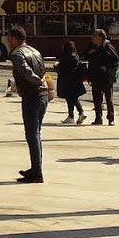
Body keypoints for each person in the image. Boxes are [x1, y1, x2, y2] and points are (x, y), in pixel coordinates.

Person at [8, 27, 52, 183]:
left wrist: (37, 81)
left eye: (9, 38)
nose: (8, 41)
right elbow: (42, 70)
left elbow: (26, 71)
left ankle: (37, 172)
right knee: (36, 134)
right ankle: (35, 168)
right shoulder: (35, 51)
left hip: (32, 96)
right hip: (42, 96)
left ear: (15, 39)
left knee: (32, 134)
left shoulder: (17, 54)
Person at [85, 29, 119, 125]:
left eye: (94, 36)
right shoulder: (92, 47)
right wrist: (89, 77)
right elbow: (89, 62)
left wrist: (107, 67)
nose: (92, 38)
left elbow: (116, 61)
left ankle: (111, 119)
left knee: (109, 99)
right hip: (95, 77)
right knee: (97, 99)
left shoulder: (108, 47)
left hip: (106, 77)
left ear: (100, 37)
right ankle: (98, 118)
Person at [57, 41, 86, 124]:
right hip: (76, 80)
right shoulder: (76, 56)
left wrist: (57, 67)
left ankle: (77, 113)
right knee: (73, 98)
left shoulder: (65, 57)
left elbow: (62, 69)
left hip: (66, 81)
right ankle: (72, 115)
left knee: (70, 98)